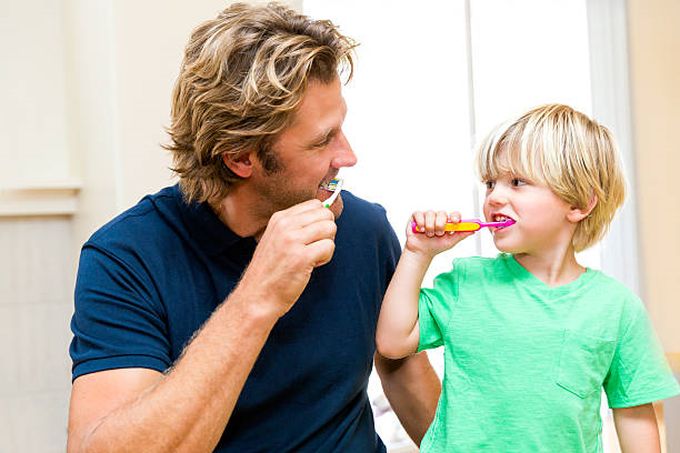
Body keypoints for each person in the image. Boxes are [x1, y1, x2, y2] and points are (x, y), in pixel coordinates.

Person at [67, 3, 440, 452]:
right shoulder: (128, 257)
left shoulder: (364, 229)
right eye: (323, 140)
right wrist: (258, 296)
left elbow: (403, 373)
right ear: (241, 157)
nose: (348, 156)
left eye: (341, 129)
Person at [376, 104, 680, 452]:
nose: (494, 196)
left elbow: (634, 416)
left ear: (579, 204)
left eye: (517, 182)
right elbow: (392, 341)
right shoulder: (468, 283)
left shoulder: (616, 308)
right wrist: (418, 254)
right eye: (490, 183)